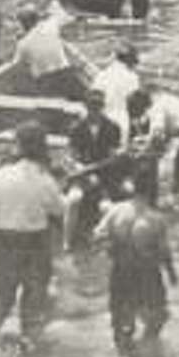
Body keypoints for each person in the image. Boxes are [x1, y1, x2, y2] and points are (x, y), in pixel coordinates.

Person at [0, 121, 64, 349]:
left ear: (18, 145)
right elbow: (59, 210)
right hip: (36, 244)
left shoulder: (2, 176)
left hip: (5, 243)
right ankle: (28, 342)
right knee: (34, 301)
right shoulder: (46, 179)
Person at [94, 165, 178, 357]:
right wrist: (171, 273)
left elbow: (98, 237)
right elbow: (164, 251)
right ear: (151, 191)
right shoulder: (157, 219)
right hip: (147, 272)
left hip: (121, 269)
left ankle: (123, 354)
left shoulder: (116, 211)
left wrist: (111, 248)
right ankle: (148, 347)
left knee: (121, 315)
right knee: (158, 314)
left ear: (132, 188)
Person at [63, 87, 126, 250]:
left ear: (102, 107)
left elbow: (113, 159)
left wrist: (90, 169)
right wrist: (80, 169)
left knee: (106, 208)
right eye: (91, 106)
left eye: (97, 106)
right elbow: (70, 156)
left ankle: (104, 243)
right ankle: (67, 241)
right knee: (73, 200)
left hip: (104, 177)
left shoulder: (113, 128)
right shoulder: (76, 128)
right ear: (86, 106)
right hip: (82, 176)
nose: (94, 110)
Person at [15, 0, 89, 100]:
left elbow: (16, 65)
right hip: (66, 74)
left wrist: (21, 39)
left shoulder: (22, 44)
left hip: (45, 82)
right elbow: (62, 14)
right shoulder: (51, 24)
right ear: (37, 19)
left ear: (23, 24)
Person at [95, 43, 143, 146]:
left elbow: (94, 97)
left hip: (102, 120)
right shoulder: (133, 78)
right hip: (122, 122)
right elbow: (135, 108)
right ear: (130, 61)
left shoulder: (101, 75)